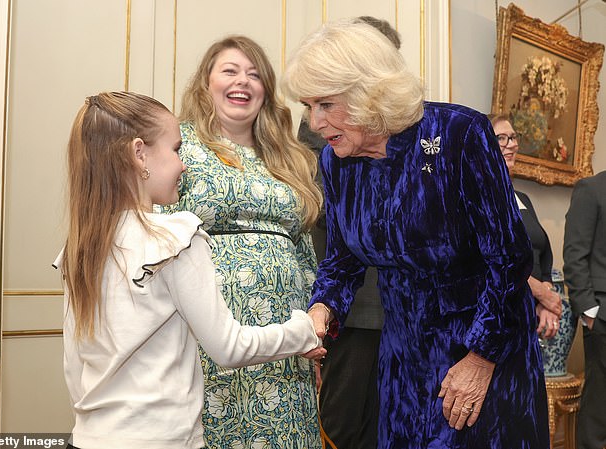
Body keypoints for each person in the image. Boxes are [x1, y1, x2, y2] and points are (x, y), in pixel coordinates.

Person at [282, 20, 549, 448]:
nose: (315, 122)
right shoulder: (336, 162)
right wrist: (322, 309)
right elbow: (344, 258)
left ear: (368, 93)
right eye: (309, 106)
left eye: (326, 105)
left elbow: (509, 258)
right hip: (403, 354)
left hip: (482, 343)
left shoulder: (459, 134)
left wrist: (480, 359)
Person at [55, 91, 324, 449]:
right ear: (139, 154)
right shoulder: (175, 238)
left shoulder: (80, 249)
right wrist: (301, 331)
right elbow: (229, 347)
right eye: (176, 149)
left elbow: (74, 367)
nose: (184, 164)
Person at [162, 36, 323, 449]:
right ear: (206, 83)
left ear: (266, 91)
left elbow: (304, 248)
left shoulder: (290, 156)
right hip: (207, 333)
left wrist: (315, 326)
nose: (243, 82)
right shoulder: (179, 146)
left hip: (286, 342)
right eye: (230, 71)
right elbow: (156, 232)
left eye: (254, 75)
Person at [296, 15, 401, 449]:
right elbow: (323, 213)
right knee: (343, 427)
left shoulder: (417, 129)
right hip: (354, 306)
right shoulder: (323, 129)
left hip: (406, 313)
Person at [489, 114, 562, 339]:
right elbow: (497, 263)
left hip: (530, 314)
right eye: (501, 138)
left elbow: (544, 254)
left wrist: (544, 302)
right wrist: (542, 294)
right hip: (500, 318)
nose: (511, 144)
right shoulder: (482, 199)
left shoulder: (523, 198)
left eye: (513, 137)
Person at [563, 170, 606, 449]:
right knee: (599, 407)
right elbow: (574, 254)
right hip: (603, 316)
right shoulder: (591, 189)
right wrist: (590, 313)